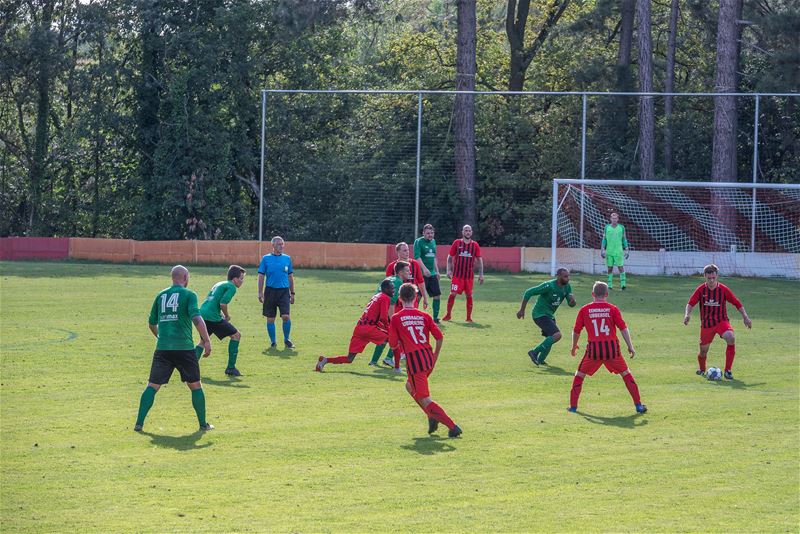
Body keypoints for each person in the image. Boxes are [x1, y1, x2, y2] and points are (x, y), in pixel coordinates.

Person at [134, 265, 214, 432]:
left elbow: (151, 324)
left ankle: (139, 423)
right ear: (185, 278)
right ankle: (203, 424)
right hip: (184, 348)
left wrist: (160, 337)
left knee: (152, 385)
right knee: (195, 386)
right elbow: (197, 318)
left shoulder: (161, 295)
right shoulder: (189, 294)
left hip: (163, 348)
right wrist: (206, 340)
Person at [389, 283, 462, 437]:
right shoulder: (425, 316)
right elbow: (439, 337)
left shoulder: (396, 318)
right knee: (409, 386)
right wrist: (434, 356)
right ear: (416, 297)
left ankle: (452, 426)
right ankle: (431, 416)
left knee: (425, 398)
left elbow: (393, 344)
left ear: (400, 299)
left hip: (415, 363)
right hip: (428, 358)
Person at [569, 281, 646, 414]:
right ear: (607, 294)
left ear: (592, 294)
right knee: (626, 374)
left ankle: (573, 407)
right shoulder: (612, 309)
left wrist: (574, 345)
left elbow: (576, 331)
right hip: (612, 351)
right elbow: (623, 328)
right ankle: (638, 405)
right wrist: (630, 346)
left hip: (593, 351)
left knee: (579, 375)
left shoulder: (584, 310)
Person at [684, 264, 752, 379]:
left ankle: (728, 371)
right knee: (703, 352)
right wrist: (687, 315)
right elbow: (690, 304)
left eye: (713, 278)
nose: (711, 280)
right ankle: (701, 369)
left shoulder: (723, 289)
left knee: (731, 337)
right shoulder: (701, 290)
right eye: (709, 278)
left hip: (721, 322)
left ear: (717, 277)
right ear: (704, 276)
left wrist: (745, 317)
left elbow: (737, 303)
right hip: (706, 325)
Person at [315, 279, 394, 372]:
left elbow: (375, 316)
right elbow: (384, 317)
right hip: (369, 328)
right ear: (385, 289)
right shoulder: (385, 297)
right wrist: (390, 330)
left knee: (349, 359)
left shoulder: (376, 296)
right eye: (391, 288)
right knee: (395, 339)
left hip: (360, 328)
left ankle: (325, 360)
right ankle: (396, 366)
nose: (393, 290)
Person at [516, 268, 576, 366]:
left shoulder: (567, 287)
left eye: (568, 276)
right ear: (558, 276)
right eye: (565, 276)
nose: (568, 278)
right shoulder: (549, 286)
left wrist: (572, 302)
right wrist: (522, 310)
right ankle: (534, 352)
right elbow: (528, 292)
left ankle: (540, 360)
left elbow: (571, 304)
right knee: (557, 335)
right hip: (539, 314)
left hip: (549, 315)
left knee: (550, 337)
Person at [194, 265, 246, 376]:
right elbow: (222, 303)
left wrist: (221, 314)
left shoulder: (220, 283)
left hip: (202, 313)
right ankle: (231, 368)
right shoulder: (231, 287)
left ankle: (189, 368)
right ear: (235, 279)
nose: (242, 281)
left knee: (203, 341)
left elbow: (214, 302)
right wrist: (226, 315)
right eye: (241, 278)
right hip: (212, 317)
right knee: (236, 335)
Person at [369, 261, 410, 369]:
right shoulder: (397, 283)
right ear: (401, 272)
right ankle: (388, 358)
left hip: (375, 312)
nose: (409, 272)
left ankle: (373, 361)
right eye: (407, 270)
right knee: (399, 335)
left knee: (385, 337)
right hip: (383, 313)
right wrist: (393, 321)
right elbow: (391, 304)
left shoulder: (389, 279)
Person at [258, 236, 295, 349]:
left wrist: (292, 293)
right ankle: (273, 342)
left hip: (284, 292)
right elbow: (261, 276)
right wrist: (260, 292)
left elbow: (290, 277)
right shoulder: (266, 259)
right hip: (270, 291)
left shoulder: (287, 259)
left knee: (286, 317)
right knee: (270, 319)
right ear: (273, 245)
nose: (281, 246)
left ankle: (287, 339)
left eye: (282, 244)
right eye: (278, 244)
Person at [442, 224, 484, 322]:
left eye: (469, 230)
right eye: (466, 230)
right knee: (453, 293)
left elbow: (479, 260)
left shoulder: (475, 245)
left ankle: (469, 317)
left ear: (471, 232)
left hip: (469, 277)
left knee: (469, 295)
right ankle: (448, 315)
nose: (467, 232)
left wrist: (481, 274)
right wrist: (448, 270)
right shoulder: (457, 243)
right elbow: (449, 257)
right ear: (462, 232)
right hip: (457, 276)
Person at [387, 241, 429, 310]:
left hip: (412, 299)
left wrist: (425, 298)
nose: (407, 252)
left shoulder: (415, 264)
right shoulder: (391, 266)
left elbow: (421, 282)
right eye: (404, 250)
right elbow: (389, 286)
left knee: (411, 319)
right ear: (398, 252)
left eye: (408, 250)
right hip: (397, 300)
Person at [414, 224, 442, 322]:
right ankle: (413, 315)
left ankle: (435, 318)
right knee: (418, 295)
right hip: (421, 274)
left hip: (432, 274)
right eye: (428, 233)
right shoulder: (418, 242)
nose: (430, 235)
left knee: (437, 295)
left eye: (432, 233)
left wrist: (437, 271)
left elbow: (434, 257)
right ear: (423, 233)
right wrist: (424, 269)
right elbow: (417, 257)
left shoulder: (433, 242)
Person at [600, 212, 630, 290]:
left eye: (615, 218)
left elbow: (624, 239)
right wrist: (602, 249)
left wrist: (627, 249)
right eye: (613, 218)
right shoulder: (607, 227)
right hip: (609, 251)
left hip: (619, 251)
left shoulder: (621, 228)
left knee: (620, 267)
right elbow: (604, 239)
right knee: (610, 268)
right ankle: (609, 286)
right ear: (610, 219)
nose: (614, 220)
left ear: (618, 219)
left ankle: (623, 285)